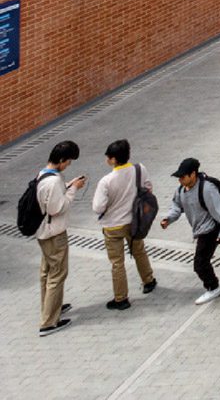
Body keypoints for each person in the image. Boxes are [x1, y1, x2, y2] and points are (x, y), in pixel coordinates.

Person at [91, 138, 157, 310]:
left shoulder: (106, 181)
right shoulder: (139, 169)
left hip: (113, 226)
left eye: (108, 157)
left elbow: (97, 207)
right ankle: (148, 280)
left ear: (113, 159)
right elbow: (148, 188)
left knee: (117, 262)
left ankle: (121, 298)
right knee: (139, 251)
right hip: (134, 221)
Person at [158, 157, 220, 304]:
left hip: (210, 229)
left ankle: (213, 288)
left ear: (193, 174)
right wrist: (169, 219)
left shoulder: (207, 189)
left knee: (200, 263)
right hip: (200, 230)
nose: (180, 180)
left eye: (182, 176)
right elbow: (176, 205)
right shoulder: (181, 190)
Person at [31, 140, 85, 334]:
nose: (68, 165)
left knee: (47, 272)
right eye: (68, 162)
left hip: (43, 233)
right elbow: (58, 208)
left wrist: (69, 185)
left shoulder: (43, 174)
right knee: (57, 274)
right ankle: (48, 322)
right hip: (54, 234)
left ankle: (51, 307)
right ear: (61, 160)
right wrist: (74, 189)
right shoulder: (54, 181)